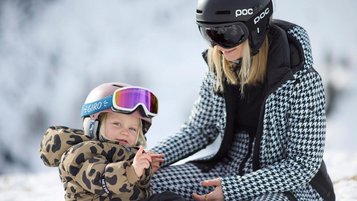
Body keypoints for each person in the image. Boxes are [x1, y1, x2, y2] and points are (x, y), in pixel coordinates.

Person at [150, 0, 335, 200]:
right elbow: (199, 129)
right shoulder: (220, 65)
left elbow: (301, 165)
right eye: (209, 34)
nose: (219, 46)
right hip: (229, 169)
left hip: (288, 185)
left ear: (255, 27)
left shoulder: (301, 79)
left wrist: (233, 189)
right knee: (149, 184)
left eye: (228, 35)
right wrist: (152, 159)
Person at [39, 82, 182, 201]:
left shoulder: (127, 153)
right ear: (93, 124)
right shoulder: (81, 153)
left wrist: (146, 169)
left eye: (132, 129)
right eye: (116, 124)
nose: (125, 131)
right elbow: (100, 180)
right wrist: (132, 171)